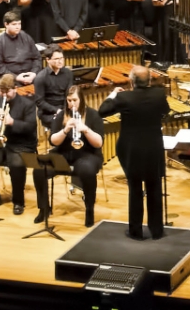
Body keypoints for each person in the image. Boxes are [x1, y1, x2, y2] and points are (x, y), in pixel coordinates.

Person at [97, 66, 168, 240]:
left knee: (135, 188)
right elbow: (165, 111)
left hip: (131, 150)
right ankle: (156, 230)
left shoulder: (123, 98)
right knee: (154, 187)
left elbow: (102, 111)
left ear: (131, 81)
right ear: (150, 81)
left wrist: (113, 94)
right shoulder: (159, 94)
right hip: (153, 148)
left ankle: (135, 231)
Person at [35, 89, 104, 228]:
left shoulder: (92, 115)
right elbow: (53, 141)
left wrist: (85, 129)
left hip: (87, 154)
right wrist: (65, 130)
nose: (72, 104)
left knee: (87, 170)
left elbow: (99, 143)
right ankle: (44, 208)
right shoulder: (61, 115)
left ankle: (89, 209)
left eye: (75, 100)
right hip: (64, 153)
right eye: (69, 101)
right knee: (39, 168)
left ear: (81, 100)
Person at [0, 75, 38, 215]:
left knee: (16, 165)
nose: (3, 94)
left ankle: (18, 201)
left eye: (7, 91)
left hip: (20, 144)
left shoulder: (27, 104)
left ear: (15, 89)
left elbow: (30, 127)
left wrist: (12, 122)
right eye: (1, 91)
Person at [0, 13, 41, 83]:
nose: (17, 27)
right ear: (6, 24)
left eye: (19, 24)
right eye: (14, 24)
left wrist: (34, 73)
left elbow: (37, 57)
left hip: (31, 76)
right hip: (10, 79)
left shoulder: (26, 37)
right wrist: (16, 77)